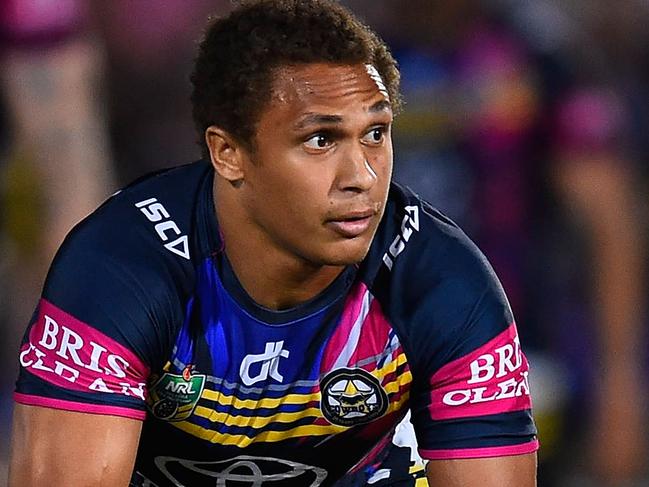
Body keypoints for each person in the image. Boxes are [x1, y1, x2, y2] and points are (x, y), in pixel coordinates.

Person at [8, 1, 538, 485]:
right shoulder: (120, 267)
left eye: (376, 134)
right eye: (321, 139)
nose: (362, 177)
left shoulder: (445, 282)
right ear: (228, 154)